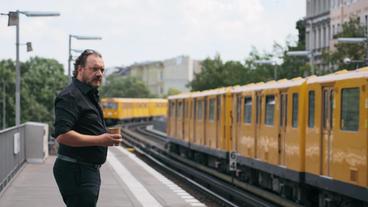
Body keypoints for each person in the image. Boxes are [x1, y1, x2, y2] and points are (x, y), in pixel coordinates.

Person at [53, 49, 122, 207]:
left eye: (102, 70)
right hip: (75, 170)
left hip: (85, 169)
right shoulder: (70, 96)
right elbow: (62, 135)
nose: (99, 73)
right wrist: (101, 139)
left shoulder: (88, 95)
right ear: (80, 69)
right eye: (94, 69)